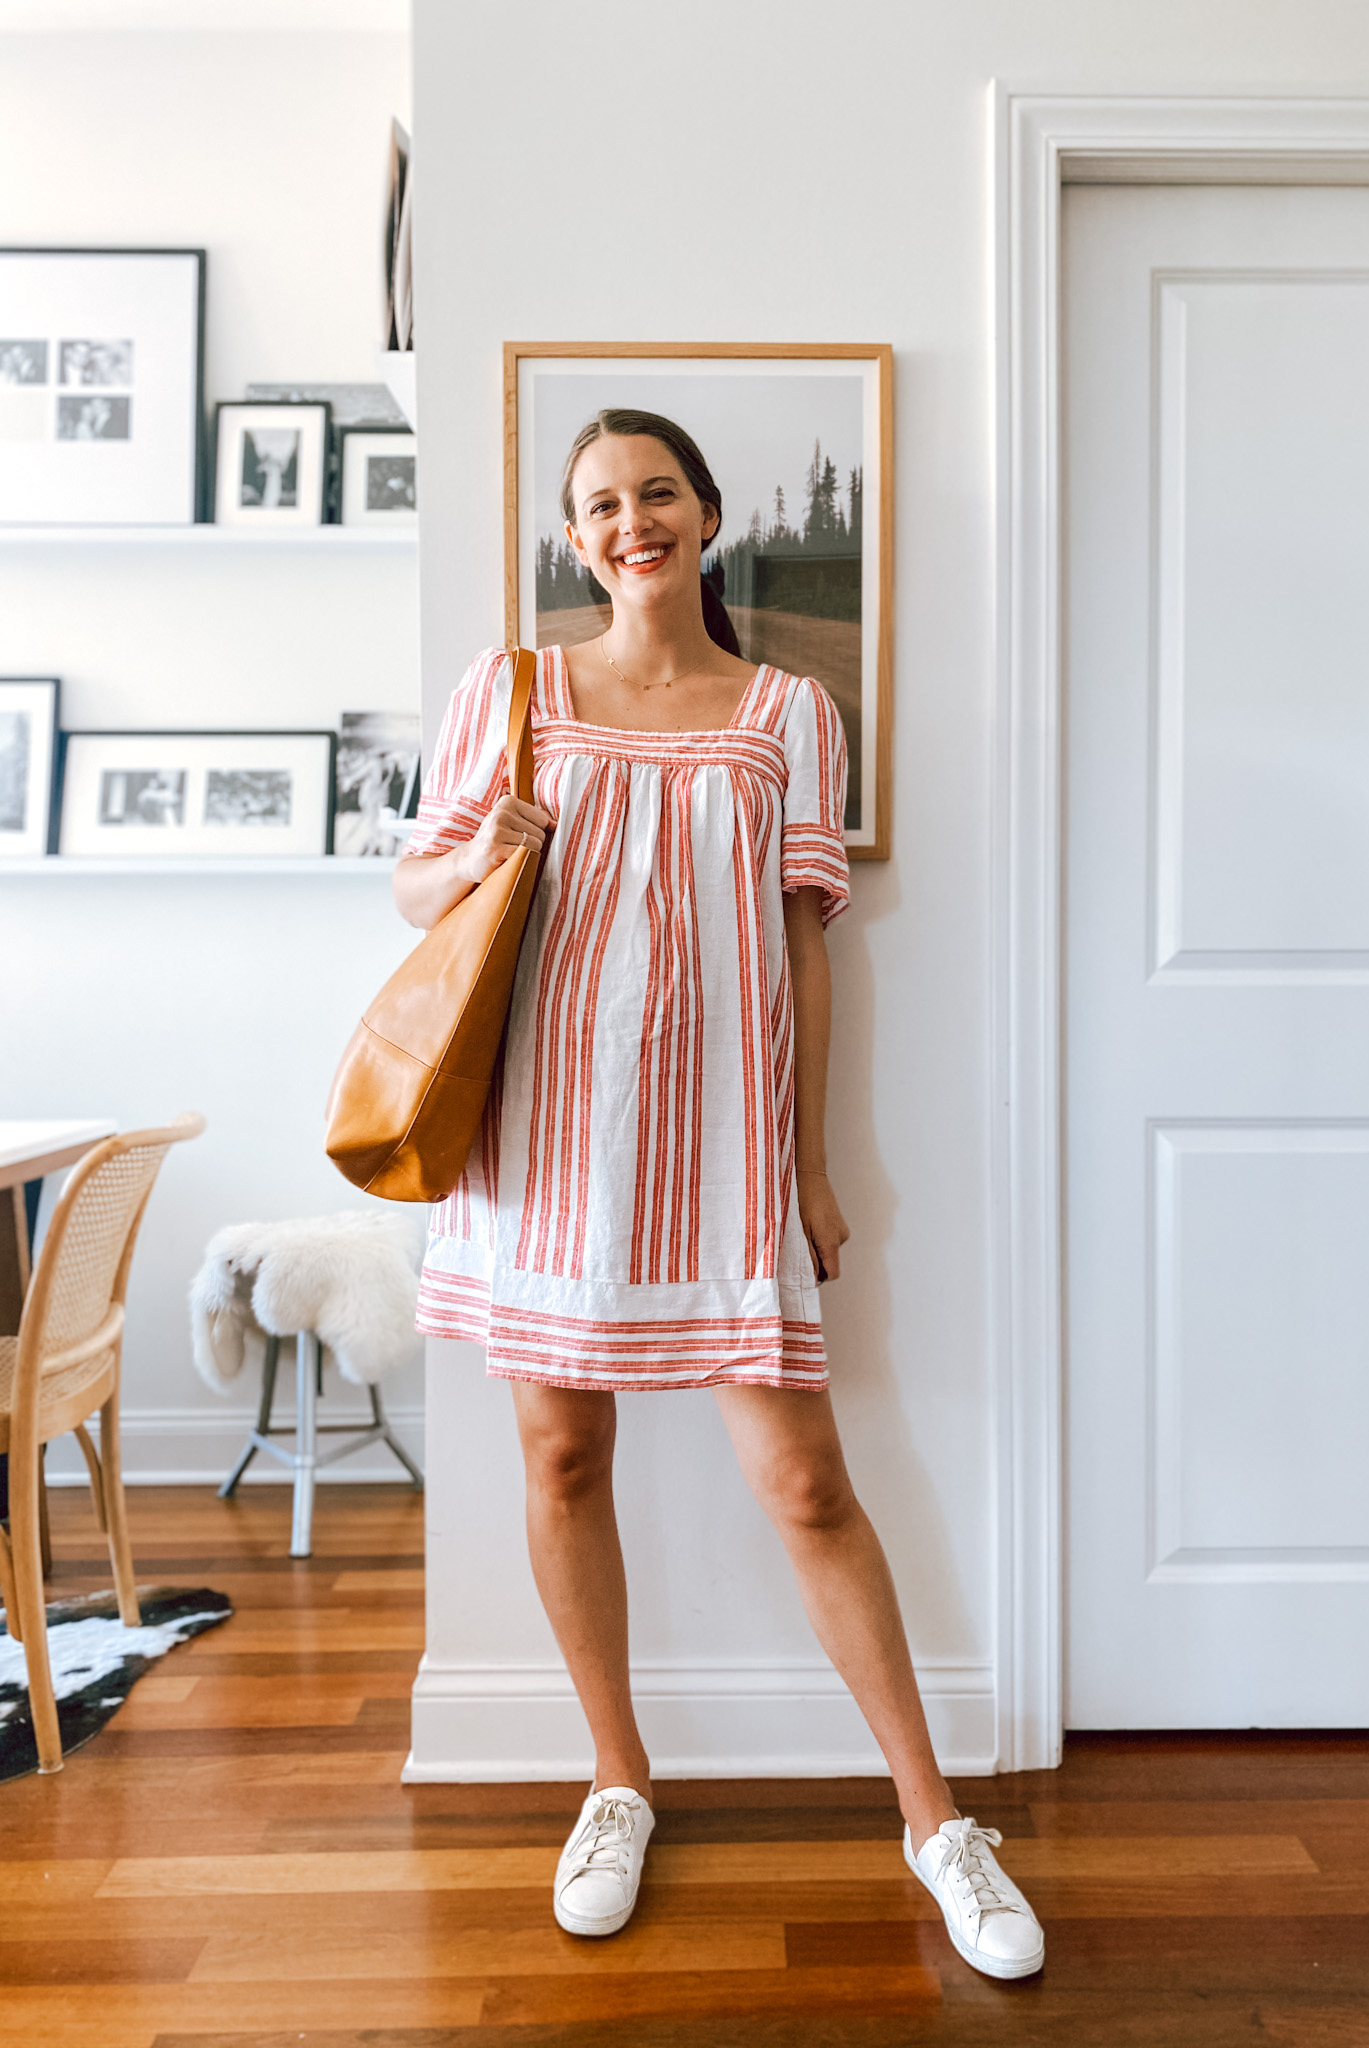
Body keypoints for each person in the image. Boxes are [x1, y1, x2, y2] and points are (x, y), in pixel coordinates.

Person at [394, 408, 1042, 1982]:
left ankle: (934, 1818)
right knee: (559, 1455)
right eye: (602, 504)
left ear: (706, 514)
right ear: (573, 537)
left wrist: (813, 1161)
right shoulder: (517, 690)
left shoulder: (786, 712)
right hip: (543, 1142)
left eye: (657, 493)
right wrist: (494, 853)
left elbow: (807, 945)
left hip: (727, 1157)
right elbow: (414, 891)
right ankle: (617, 1780)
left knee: (807, 1486)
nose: (633, 522)